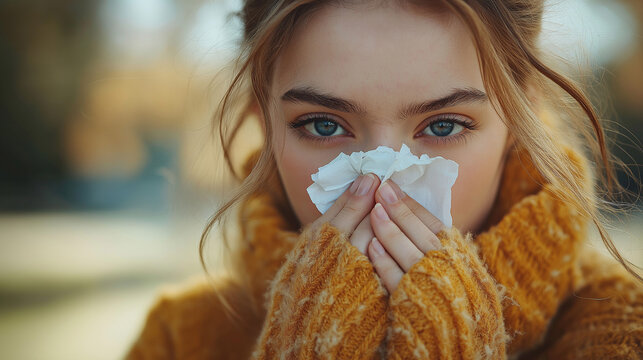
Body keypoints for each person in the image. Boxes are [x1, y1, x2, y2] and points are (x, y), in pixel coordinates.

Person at [126, 0, 642, 359]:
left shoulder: (626, 332)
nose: (380, 183)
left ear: (519, 120)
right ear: (264, 122)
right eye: (324, 125)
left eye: (443, 126)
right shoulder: (181, 340)